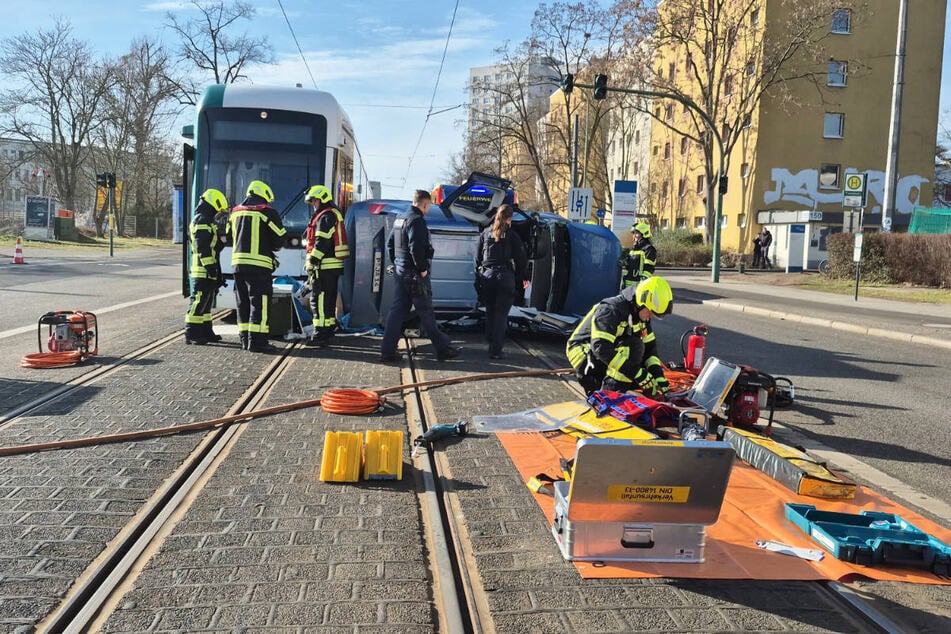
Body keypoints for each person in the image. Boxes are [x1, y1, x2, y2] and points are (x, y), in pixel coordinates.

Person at [379, 189, 461, 362]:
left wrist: (397, 263)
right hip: (415, 274)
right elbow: (416, 248)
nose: (428, 209)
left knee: (397, 311)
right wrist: (422, 269)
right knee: (426, 311)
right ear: (424, 204)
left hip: (401, 271)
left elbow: (389, 244)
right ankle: (443, 349)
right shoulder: (417, 221)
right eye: (429, 206)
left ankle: (387, 350)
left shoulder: (400, 219)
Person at [565, 276, 674, 397]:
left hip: (604, 354)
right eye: (650, 312)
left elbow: (650, 349)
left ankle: (619, 388)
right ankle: (609, 395)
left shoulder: (640, 313)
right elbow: (601, 348)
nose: (651, 316)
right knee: (634, 347)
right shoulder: (611, 310)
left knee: (642, 367)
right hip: (585, 355)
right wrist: (635, 372)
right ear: (641, 302)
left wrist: (658, 375)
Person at [228, 180, 286, 352]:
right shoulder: (267, 212)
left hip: (237, 265)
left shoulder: (235, 213)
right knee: (259, 303)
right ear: (265, 196)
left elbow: (229, 236)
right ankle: (258, 342)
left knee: (242, 303)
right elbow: (280, 239)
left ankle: (245, 340)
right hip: (259, 267)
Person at [475, 203, 528, 359]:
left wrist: (479, 276)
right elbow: (521, 259)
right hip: (505, 277)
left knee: (491, 311)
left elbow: (477, 258)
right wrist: (521, 277)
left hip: (487, 276)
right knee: (501, 315)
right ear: (510, 218)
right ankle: (496, 350)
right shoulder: (512, 236)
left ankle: (490, 339)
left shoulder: (485, 233)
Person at [303, 184, 349, 347]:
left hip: (324, 266)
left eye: (314, 201)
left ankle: (320, 334)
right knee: (328, 299)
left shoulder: (325, 216)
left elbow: (321, 241)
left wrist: (313, 261)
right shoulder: (332, 213)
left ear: (321, 199)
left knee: (319, 299)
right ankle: (328, 328)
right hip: (332, 266)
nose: (313, 204)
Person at [185, 188, 228, 345]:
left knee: (206, 302)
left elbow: (213, 246)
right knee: (198, 300)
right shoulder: (201, 220)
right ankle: (192, 332)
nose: (218, 213)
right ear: (212, 205)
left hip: (208, 268)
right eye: (218, 210)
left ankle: (205, 330)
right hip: (202, 269)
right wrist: (211, 268)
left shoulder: (207, 221)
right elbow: (202, 247)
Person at [621, 222, 656, 289]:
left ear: (644, 234)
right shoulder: (633, 250)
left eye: (636, 233)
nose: (634, 236)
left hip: (639, 286)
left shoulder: (649, 249)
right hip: (628, 285)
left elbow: (649, 268)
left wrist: (642, 281)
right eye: (633, 233)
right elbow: (628, 267)